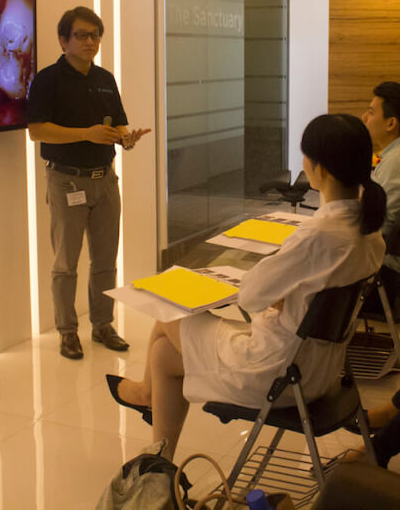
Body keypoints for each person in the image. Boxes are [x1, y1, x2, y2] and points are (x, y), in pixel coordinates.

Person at [106, 114, 386, 461]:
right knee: (164, 355)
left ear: (321, 170)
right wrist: (290, 295)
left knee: (168, 314)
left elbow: (252, 294)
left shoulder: (317, 237)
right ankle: (158, 459)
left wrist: (281, 294)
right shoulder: (370, 234)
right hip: (322, 371)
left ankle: (147, 399)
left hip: (277, 373)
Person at [27, 6, 150, 359]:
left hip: (106, 180)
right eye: (82, 35)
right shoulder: (47, 79)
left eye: (95, 35)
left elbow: (118, 124)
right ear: (63, 39)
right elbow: (37, 131)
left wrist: (126, 138)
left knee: (106, 260)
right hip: (67, 181)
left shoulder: (105, 78)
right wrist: (87, 134)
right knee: (66, 263)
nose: (90, 42)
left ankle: (102, 325)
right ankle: (67, 331)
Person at [361, 81, 400, 311]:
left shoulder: (395, 162)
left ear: (391, 123)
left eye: (371, 111)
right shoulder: (389, 156)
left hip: (383, 273)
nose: (364, 117)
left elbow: (384, 224)